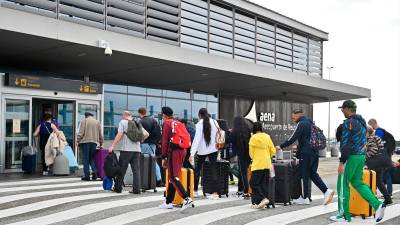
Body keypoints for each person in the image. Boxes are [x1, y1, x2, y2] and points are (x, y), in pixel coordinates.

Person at [330, 100, 385, 222]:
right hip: (361, 156)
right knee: (358, 183)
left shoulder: (348, 123)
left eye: (343, 108)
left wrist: (341, 162)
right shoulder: (362, 122)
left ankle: (343, 215)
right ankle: (377, 205)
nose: (342, 111)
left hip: (351, 157)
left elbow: (346, 144)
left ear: (348, 109)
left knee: (343, 186)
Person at [276, 109, 334, 205]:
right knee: (312, 173)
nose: (292, 118)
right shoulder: (311, 123)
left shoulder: (302, 123)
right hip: (315, 152)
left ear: (298, 114)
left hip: (306, 153)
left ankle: (306, 197)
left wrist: (281, 146)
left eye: (293, 116)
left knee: (304, 175)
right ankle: (326, 191)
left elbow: (293, 137)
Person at [159, 107, 193, 210]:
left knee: (173, 176)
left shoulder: (167, 123)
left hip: (174, 151)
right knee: (172, 176)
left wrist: (163, 156)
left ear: (164, 115)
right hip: (182, 150)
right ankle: (168, 202)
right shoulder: (178, 122)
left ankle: (186, 198)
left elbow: (164, 141)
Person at [108, 111, 149, 194]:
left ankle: (118, 188)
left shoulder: (123, 122)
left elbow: (119, 135)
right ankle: (137, 189)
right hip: (137, 150)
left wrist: (112, 145)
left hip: (126, 150)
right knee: (136, 170)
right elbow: (147, 134)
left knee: (122, 169)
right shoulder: (137, 122)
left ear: (124, 115)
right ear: (130, 115)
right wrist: (140, 141)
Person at [190, 108, 220, 199]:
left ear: (200, 115)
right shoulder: (214, 122)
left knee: (197, 169)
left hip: (202, 151)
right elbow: (219, 134)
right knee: (213, 169)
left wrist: (192, 153)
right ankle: (215, 192)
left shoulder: (199, 124)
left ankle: (195, 191)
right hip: (213, 149)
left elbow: (197, 139)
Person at [249, 122, 276, 209]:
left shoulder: (253, 138)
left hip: (257, 164)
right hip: (266, 163)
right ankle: (262, 203)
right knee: (264, 184)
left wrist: (255, 158)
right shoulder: (267, 137)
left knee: (253, 183)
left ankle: (262, 199)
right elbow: (273, 150)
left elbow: (251, 154)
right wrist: (268, 156)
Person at [368, 118, 395, 196]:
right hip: (386, 156)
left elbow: (376, 144)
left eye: (370, 126)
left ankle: (379, 192)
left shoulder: (379, 132)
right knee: (386, 174)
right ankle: (388, 193)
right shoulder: (382, 131)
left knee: (379, 175)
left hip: (382, 157)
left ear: (372, 124)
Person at [365, 126, 392, 205]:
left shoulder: (370, 139)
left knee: (371, 181)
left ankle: (371, 199)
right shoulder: (377, 138)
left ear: (367, 133)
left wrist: (365, 156)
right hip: (381, 163)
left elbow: (373, 150)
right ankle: (388, 198)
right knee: (378, 182)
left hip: (374, 164)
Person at [138, 107, 163, 187]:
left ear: (140, 113)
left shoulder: (140, 121)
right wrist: (157, 142)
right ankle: (156, 179)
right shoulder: (154, 120)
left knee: (150, 162)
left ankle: (158, 180)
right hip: (153, 144)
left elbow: (140, 134)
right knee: (152, 160)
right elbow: (159, 132)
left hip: (145, 143)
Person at [76, 112, 103, 181]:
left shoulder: (84, 121)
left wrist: (77, 141)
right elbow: (100, 134)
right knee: (91, 158)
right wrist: (101, 142)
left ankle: (87, 176)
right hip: (94, 142)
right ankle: (95, 172)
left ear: (86, 116)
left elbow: (81, 133)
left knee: (85, 159)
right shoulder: (97, 122)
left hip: (85, 142)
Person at [230, 116, 252, 198]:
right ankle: (241, 189)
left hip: (241, 154)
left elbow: (230, 140)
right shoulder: (248, 130)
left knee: (243, 173)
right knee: (245, 172)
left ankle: (246, 191)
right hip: (249, 154)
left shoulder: (234, 131)